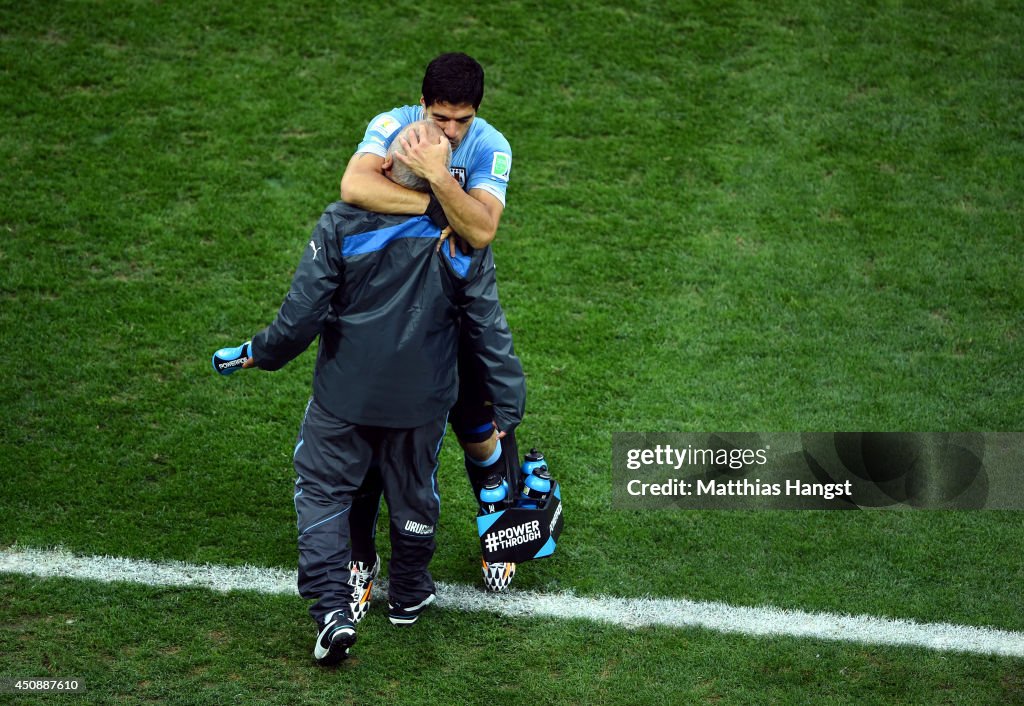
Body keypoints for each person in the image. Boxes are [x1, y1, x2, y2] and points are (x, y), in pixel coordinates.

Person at [241, 120, 525, 666]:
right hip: (423, 401)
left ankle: (335, 606)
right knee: (415, 487)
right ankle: (412, 590)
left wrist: (263, 353)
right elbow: (490, 328)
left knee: (328, 492)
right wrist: (508, 402)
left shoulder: (341, 225)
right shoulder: (459, 240)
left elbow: (300, 319)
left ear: (391, 169)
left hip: (345, 398)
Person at [340, 52, 523, 596]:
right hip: (388, 302)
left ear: (477, 113)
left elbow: (483, 228)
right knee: (372, 431)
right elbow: (354, 187)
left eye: (461, 120)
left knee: (475, 423)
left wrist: (439, 172)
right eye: (440, 117)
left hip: (454, 302)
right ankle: (360, 556)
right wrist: (436, 206)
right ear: (421, 102)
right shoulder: (390, 125)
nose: (450, 130)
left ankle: (500, 529)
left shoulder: (491, 145)